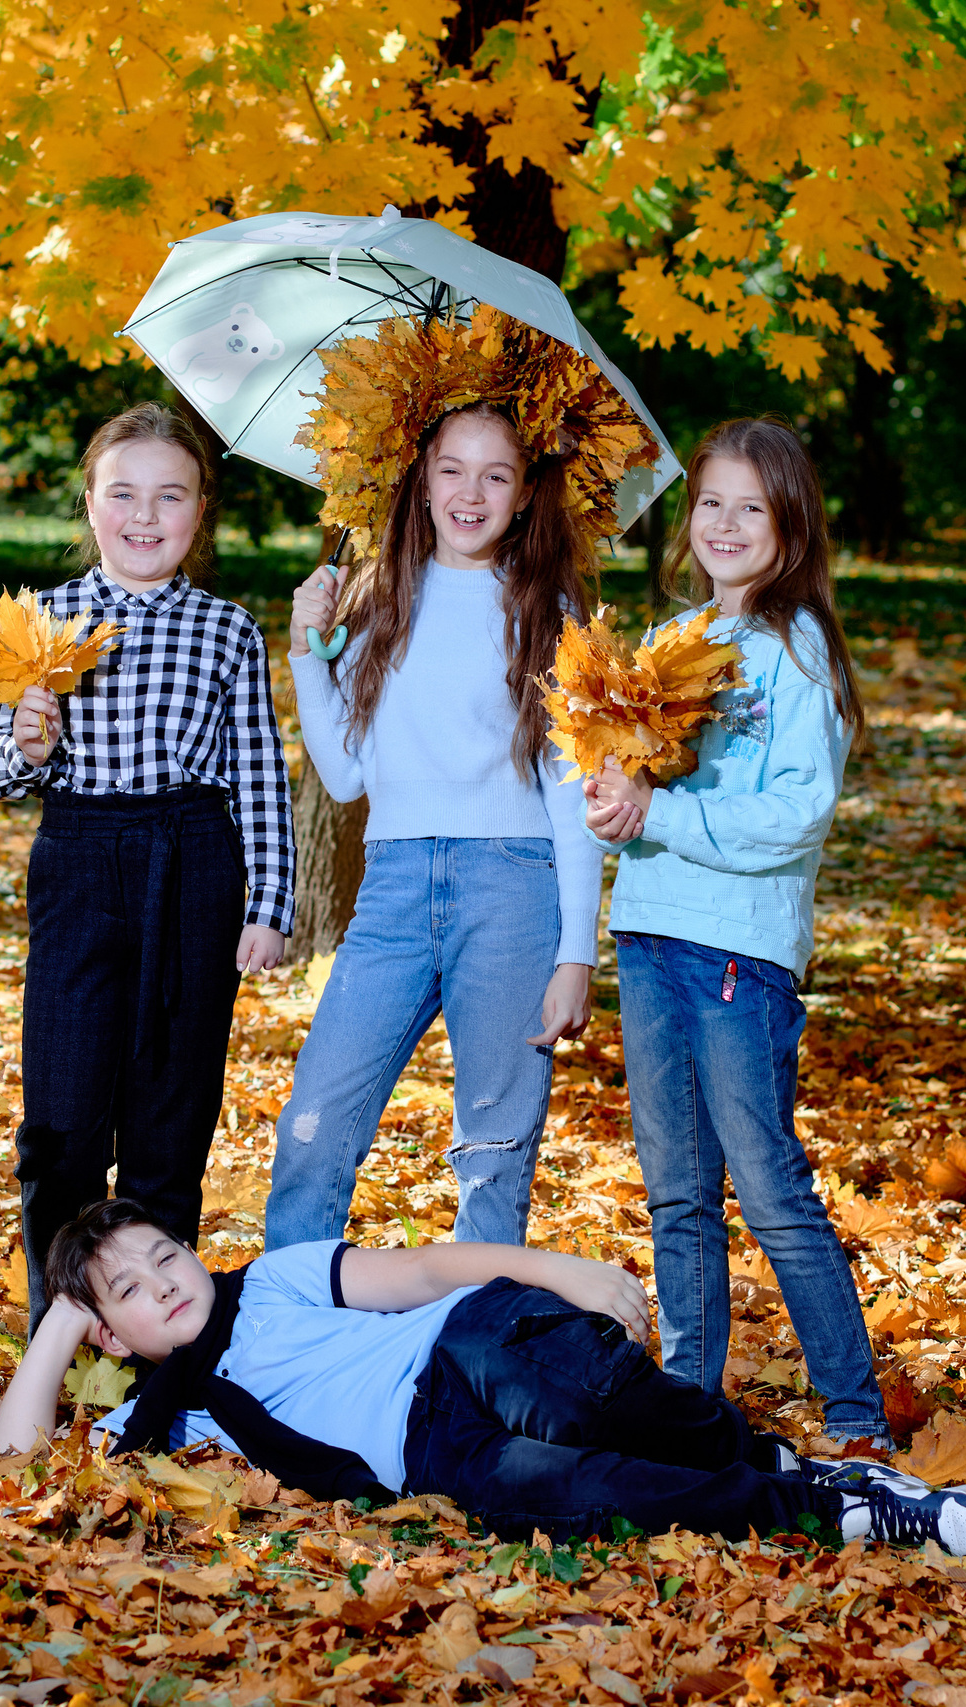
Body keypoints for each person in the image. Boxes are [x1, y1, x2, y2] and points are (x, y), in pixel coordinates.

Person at [0, 1198, 966, 1554]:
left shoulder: (273, 1280)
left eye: (165, 1255)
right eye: (127, 1289)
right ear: (108, 1333)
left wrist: (558, 1267)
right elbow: (12, 1463)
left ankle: (772, 1458)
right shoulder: (161, 1416)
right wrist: (59, 1323)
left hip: (465, 1340)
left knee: (578, 1394)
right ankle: (836, 1509)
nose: (164, 1281)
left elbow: (428, 1271)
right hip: (430, 1454)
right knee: (587, 1492)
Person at [581, 419, 891, 1449]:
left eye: (750, 507)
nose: (724, 523)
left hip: (735, 954)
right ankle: (690, 1406)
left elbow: (796, 813)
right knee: (676, 1192)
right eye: (710, 502)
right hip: (648, 935)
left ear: (789, 525)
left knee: (766, 1185)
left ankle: (855, 1414)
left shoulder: (798, 653)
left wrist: (660, 814)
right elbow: (641, 780)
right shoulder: (674, 643)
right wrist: (616, 792)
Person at [0, 403, 294, 1329]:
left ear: (201, 510)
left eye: (170, 496)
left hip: (191, 862)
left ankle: (157, 1332)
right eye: (123, 494)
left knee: (171, 1112)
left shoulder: (228, 629)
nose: (144, 516)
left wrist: (268, 903)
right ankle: (64, 1323)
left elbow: (259, 776)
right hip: (78, 861)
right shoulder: (40, 624)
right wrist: (29, 743)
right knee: (62, 1121)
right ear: (90, 502)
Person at [265, 403, 599, 1250]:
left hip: (513, 886)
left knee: (495, 1147)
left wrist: (577, 953)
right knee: (314, 1119)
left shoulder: (550, 609)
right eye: (452, 469)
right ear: (421, 480)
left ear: (524, 495)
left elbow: (572, 793)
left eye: (496, 475)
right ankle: (287, 1306)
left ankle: (474, 1324)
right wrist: (306, 651)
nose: (470, 493)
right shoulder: (378, 599)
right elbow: (344, 774)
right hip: (394, 888)